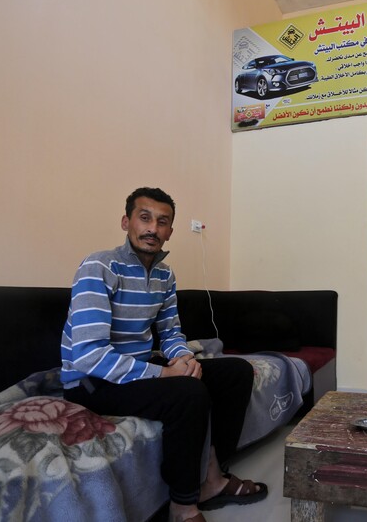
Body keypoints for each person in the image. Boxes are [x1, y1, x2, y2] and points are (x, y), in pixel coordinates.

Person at [61, 187, 266, 522]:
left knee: (236, 373)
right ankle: (183, 505)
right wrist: (163, 374)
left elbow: (170, 332)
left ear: (170, 230)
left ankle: (213, 478)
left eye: (162, 222)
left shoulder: (164, 275)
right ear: (126, 222)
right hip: (90, 380)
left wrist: (183, 358)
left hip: (137, 368)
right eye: (144, 218)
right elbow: (87, 355)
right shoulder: (98, 267)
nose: (152, 228)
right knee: (187, 393)